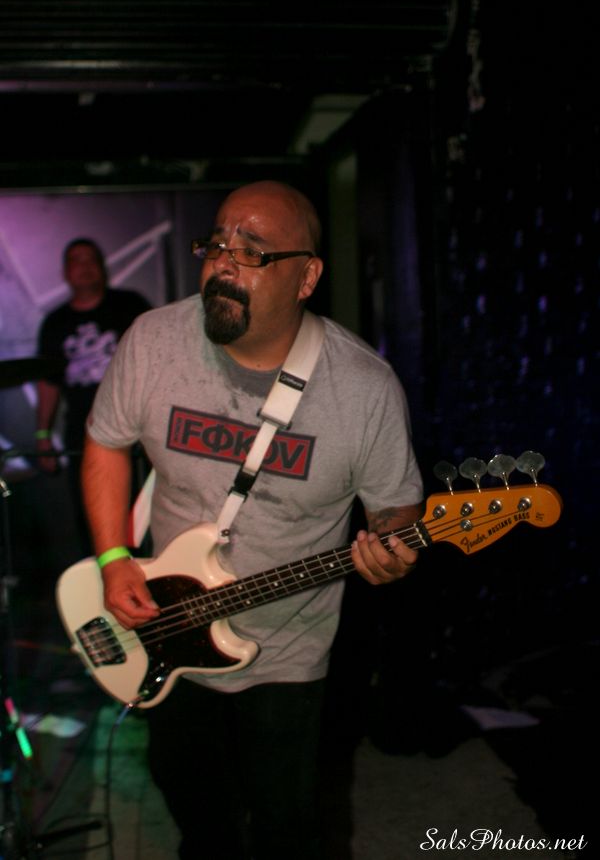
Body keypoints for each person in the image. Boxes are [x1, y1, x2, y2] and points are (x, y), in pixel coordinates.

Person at [81, 181, 423, 859]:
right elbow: (106, 443)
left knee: (285, 825)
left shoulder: (365, 388)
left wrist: (392, 546)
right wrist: (114, 560)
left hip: (286, 649)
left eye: (253, 251)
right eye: (217, 244)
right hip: (167, 628)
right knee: (192, 807)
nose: (223, 263)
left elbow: (395, 506)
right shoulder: (153, 341)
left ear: (307, 278)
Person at [36, 237, 151, 555]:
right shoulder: (56, 323)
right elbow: (48, 383)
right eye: (77, 260)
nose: (85, 267)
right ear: (65, 272)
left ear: (102, 267)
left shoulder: (129, 306)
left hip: (137, 427)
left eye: (91, 260)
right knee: (94, 516)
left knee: (142, 515)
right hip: (83, 432)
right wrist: (43, 435)